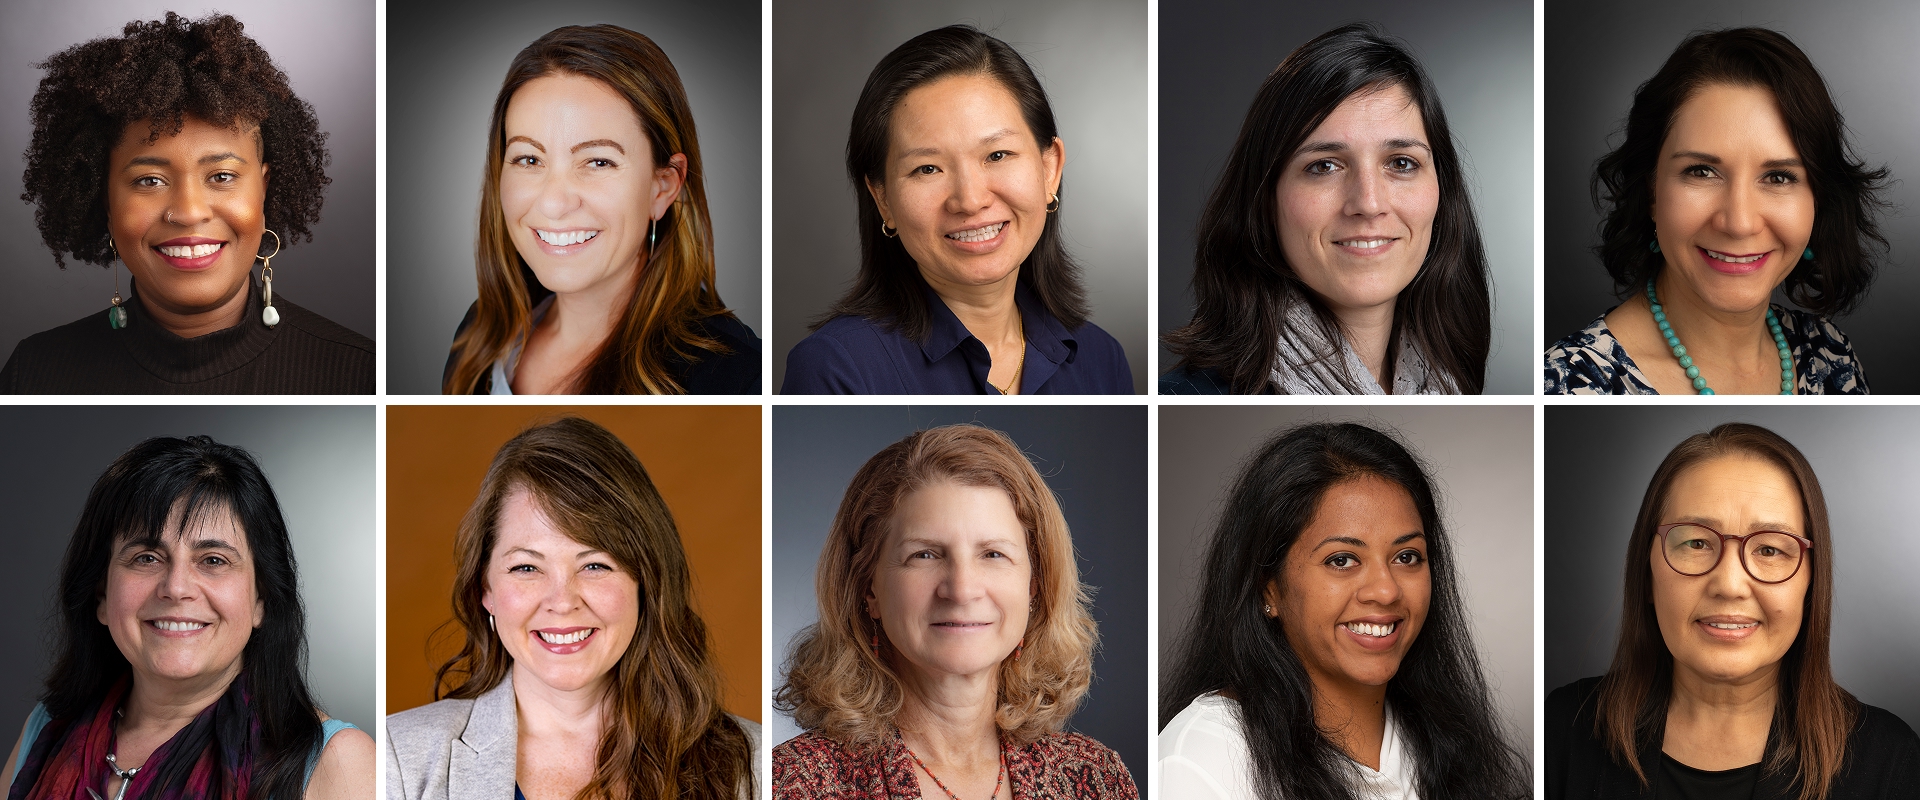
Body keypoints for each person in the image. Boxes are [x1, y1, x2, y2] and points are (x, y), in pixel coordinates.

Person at [2, 12, 374, 394]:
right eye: (150, 180)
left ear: (264, 189)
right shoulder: (32, 375)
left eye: (222, 176)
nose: (190, 212)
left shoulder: (359, 373)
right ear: (105, 201)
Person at [386, 418, 757, 799]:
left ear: (645, 581)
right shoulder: (396, 759)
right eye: (526, 567)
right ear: (486, 589)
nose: (562, 602)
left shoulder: (756, 765)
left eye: (595, 565)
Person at [1546, 423, 1920, 799]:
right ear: (1646, 575)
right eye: (1695, 542)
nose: (1729, 584)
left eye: (1770, 550)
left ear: (1811, 584)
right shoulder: (1563, 728)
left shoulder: (1892, 761)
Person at [1159, 423, 1527, 798]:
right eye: (1342, 560)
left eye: (1406, 556)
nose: (1386, 590)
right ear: (1266, 586)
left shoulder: (1445, 740)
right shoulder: (1203, 759)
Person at [0, 436, 373, 799]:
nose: (176, 588)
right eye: (146, 557)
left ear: (261, 599)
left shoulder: (336, 763)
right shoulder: (44, 731)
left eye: (214, 560)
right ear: (101, 595)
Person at [773, 425, 1136, 797]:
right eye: (925, 555)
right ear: (869, 589)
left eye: (993, 554)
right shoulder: (794, 782)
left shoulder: (1096, 779)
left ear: (1034, 585)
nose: (961, 590)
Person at [781, 26, 1132, 395]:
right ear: (882, 198)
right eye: (927, 168)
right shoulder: (836, 367)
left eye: (997, 155)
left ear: (1049, 170)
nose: (969, 200)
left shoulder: (1102, 359)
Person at [1544, 29, 1884, 395]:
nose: (1739, 223)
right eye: (1701, 172)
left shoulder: (1831, 354)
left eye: (1778, 177)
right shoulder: (1567, 384)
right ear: (1652, 192)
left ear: (1819, 198)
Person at [1162, 24, 1490, 395]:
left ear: (1441, 190)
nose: (1369, 203)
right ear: (1265, 197)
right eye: (1324, 166)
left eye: (1401, 163)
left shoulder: (1452, 384)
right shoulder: (1188, 395)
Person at [443, 26, 760, 395]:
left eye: (598, 162)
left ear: (664, 186)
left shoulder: (734, 374)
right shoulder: (479, 334)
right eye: (529, 158)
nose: (553, 203)